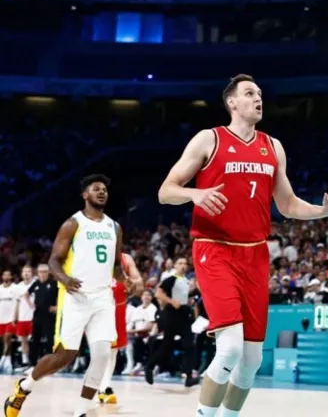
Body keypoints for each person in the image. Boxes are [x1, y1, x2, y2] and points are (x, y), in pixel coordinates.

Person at [158, 73, 328, 417]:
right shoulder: (209, 139)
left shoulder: (272, 146)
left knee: (252, 359)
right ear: (232, 102)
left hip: (255, 254)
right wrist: (194, 193)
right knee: (229, 349)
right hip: (214, 248)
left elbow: (288, 205)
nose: (258, 98)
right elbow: (166, 190)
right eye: (249, 93)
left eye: (260, 93)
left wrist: (324, 211)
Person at [4, 174, 126, 417]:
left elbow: (115, 265)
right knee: (64, 356)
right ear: (85, 195)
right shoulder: (73, 223)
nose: (102, 192)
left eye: (104, 189)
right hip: (76, 297)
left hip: (103, 299)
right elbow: (53, 261)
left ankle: (81, 410)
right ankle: (24, 386)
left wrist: (128, 281)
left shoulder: (115, 227)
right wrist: (65, 279)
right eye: (95, 189)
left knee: (102, 355)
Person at [98, 252, 143, 404]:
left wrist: (133, 284)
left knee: (113, 351)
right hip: (99, 308)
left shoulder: (126, 259)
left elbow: (138, 284)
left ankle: (105, 386)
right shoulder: (96, 253)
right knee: (99, 349)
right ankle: (96, 383)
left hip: (118, 308)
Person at [144, 256, 194, 386]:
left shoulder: (187, 281)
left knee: (189, 344)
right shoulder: (170, 280)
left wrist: (187, 301)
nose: (183, 265)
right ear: (175, 266)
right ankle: (149, 366)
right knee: (167, 346)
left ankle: (188, 376)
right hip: (171, 315)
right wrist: (172, 301)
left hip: (183, 314)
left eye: (185, 263)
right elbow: (158, 293)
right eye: (180, 263)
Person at [26, 265, 55, 365]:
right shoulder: (36, 283)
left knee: (50, 339)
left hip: (49, 316)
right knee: (35, 339)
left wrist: (57, 307)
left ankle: (50, 364)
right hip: (38, 315)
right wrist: (30, 304)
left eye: (44, 271)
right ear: (37, 273)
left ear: (49, 272)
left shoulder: (54, 283)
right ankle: (33, 363)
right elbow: (26, 293)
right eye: (40, 272)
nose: (42, 274)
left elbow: (62, 297)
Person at [0, 270, 21, 374]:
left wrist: (15, 316)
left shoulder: (15, 288)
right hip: (1, 318)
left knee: (7, 337)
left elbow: (17, 302)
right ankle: (8, 361)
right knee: (3, 340)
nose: (6, 276)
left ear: (11, 276)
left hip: (11, 318)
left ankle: (3, 359)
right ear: (2, 276)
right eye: (5, 274)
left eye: (8, 274)